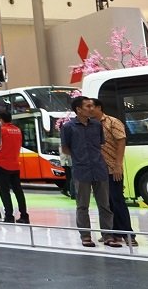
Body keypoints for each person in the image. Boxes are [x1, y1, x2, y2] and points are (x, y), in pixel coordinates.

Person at [62, 96, 120, 248]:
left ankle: (108, 236)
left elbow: (100, 144)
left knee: (105, 205)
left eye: (92, 106)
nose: (91, 108)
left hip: (99, 168)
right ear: (78, 109)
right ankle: (86, 236)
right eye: (88, 106)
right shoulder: (68, 127)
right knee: (82, 206)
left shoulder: (96, 125)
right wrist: (78, 156)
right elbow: (65, 148)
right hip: (81, 170)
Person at [91, 98, 137, 246]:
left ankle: (128, 234)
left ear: (99, 107)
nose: (89, 109)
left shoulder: (112, 122)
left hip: (112, 168)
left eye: (91, 106)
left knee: (117, 200)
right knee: (106, 203)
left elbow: (121, 142)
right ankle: (113, 233)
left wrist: (118, 165)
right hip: (98, 170)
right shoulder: (90, 125)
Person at [0, 111, 29, 224]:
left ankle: (9, 216)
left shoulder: (1, 130)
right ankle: (24, 215)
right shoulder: (17, 130)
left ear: (1, 119)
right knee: (18, 191)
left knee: (5, 192)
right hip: (15, 165)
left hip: (2, 165)